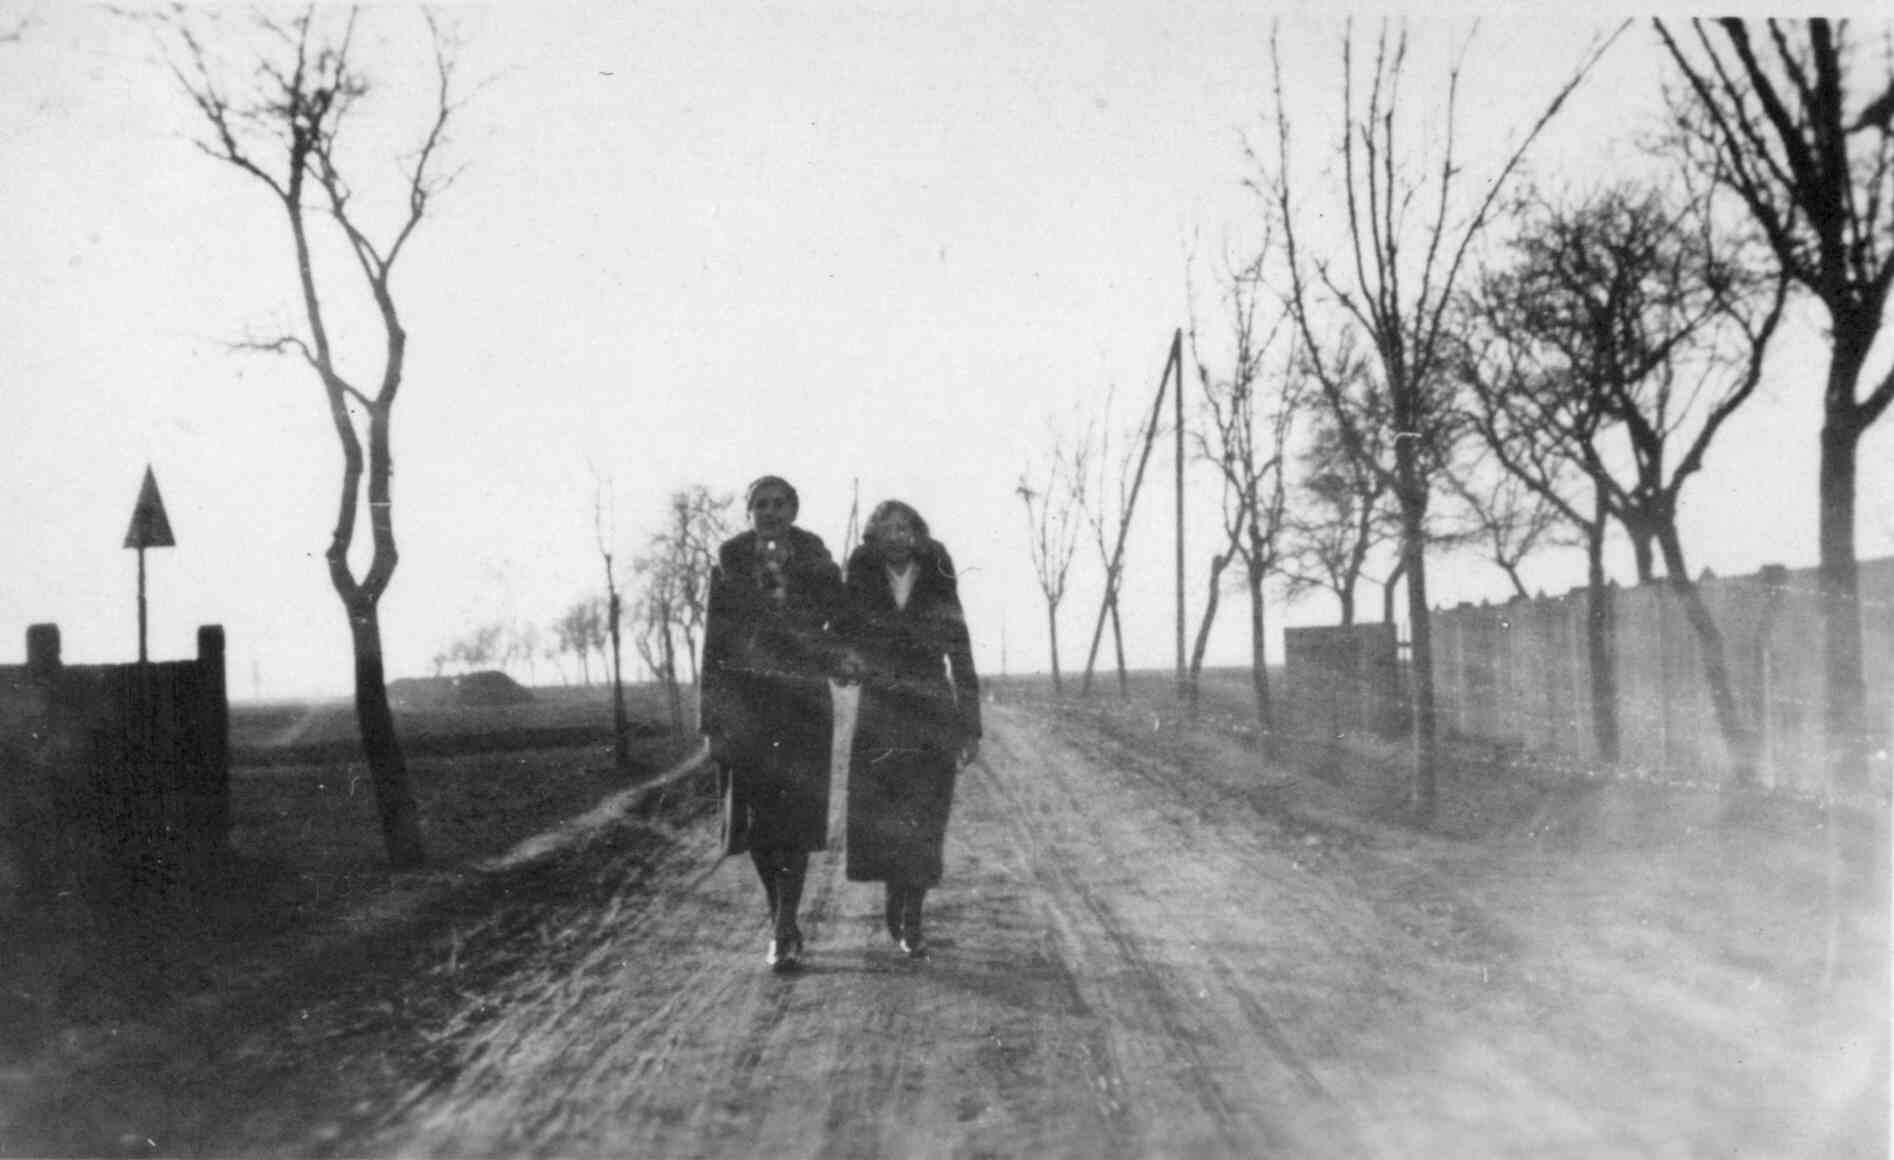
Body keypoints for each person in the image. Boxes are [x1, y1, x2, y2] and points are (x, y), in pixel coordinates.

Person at [700, 475, 849, 972]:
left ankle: (784, 925)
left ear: (794, 509)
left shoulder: (817, 560)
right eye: (760, 504)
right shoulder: (728, 564)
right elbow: (713, 648)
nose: (770, 512)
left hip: (803, 703)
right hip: (748, 708)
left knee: (799, 818)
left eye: (780, 503)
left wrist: (839, 657)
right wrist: (711, 720)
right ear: (748, 513)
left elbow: (840, 624)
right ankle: (779, 918)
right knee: (760, 824)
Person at [839, 499, 981, 959]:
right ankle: (894, 898)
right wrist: (846, 657)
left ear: (918, 534)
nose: (898, 536)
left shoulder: (937, 568)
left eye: (906, 528)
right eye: (888, 529)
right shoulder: (861, 571)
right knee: (883, 814)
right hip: (880, 708)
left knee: (925, 815)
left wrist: (970, 723)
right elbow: (845, 631)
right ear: (874, 537)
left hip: (930, 708)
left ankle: (913, 919)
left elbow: (959, 645)